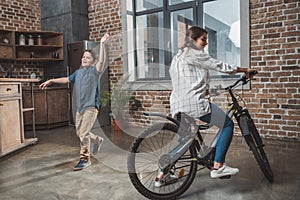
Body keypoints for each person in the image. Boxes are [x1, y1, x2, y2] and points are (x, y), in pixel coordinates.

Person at [155, 26, 256, 186]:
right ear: (192, 40)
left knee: (186, 141)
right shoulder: (195, 54)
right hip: (192, 103)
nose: (206, 43)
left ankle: (160, 177)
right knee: (227, 124)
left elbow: (188, 80)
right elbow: (219, 65)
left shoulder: (177, 57)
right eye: (203, 39)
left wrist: (208, 90)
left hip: (177, 104)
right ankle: (218, 166)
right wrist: (244, 70)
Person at [39, 33, 110, 171]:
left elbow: (102, 62)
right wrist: (51, 81)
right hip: (80, 108)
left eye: (88, 57)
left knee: (83, 134)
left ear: (93, 62)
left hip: (91, 107)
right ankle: (97, 140)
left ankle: (85, 159)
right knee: (80, 133)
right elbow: (66, 79)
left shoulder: (94, 71)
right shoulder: (78, 73)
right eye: (83, 57)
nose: (84, 59)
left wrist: (102, 44)